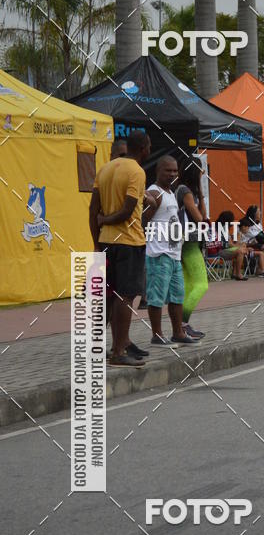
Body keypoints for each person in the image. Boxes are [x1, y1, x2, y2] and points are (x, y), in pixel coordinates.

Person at [89, 130, 152, 367]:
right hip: (129, 242)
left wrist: (96, 242)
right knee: (125, 297)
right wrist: (107, 220)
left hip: (106, 242)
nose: (150, 150)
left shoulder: (105, 169)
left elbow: (92, 210)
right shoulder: (137, 171)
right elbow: (127, 210)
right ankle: (118, 352)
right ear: (143, 148)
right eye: (149, 147)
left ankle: (103, 347)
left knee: (108, 297)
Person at [144, 155, 195, 346]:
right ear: (158, 171)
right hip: (159, 254)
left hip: (174, 254)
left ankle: (178, 333)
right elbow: (143, 222)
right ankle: (157, 335)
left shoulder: (170, 193)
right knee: (156, 297)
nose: (172, 174)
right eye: (168, 170)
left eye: (175, 171)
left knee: (177, 295)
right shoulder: (155, 193)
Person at [175, 159, 208, 340]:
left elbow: (203, 215)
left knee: (188, 286)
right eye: (200, 172)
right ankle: (182, 324)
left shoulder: (188, 191)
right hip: (189, 243)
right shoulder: (185, 191)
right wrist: (200, 185)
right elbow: (199, 218)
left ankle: (181, 326)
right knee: (201, 285)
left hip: (187, 242)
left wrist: (200, 193)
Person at [205, 210, 249, 280]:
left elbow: (230, 243)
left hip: (214, 250)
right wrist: (240, 248)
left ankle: (234, 273)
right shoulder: (223, 228)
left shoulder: (215, 226)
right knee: (240, 251)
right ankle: (238, 274)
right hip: (219, 251)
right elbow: (230, 244)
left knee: (241, 248)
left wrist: (240, 246)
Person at [242, 205, 264, 275]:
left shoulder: (258, 224)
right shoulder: (245, 223)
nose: (260, 213)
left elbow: (261, 235)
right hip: (248, 243)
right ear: (254, 213)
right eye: (258, 211)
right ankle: (260, 269)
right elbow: (249, 235)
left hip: (257, 242)